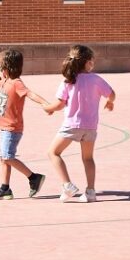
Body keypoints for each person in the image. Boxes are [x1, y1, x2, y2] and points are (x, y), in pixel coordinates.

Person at [43, 45, 116, 203]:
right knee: (88, 158)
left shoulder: (68, 81)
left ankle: (67, 185)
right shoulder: (96, 79)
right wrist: (110, 102)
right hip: (90, 127)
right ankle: (90, 192)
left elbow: (59, 104)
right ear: (88, 62)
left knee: (53, 152)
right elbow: (112, 94)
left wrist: (48, 108)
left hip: (72, 125)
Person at [0, 49, 50, 200]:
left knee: (7, 157)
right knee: (4, 158)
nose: (0, 71)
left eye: (1, 68)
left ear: (7, 68)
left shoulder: (16, 83)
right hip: (4, 127)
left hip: (12, 128)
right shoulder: (6, 81)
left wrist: (45, 103)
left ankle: (33, 177)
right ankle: (5, 188)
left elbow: (30, 93)